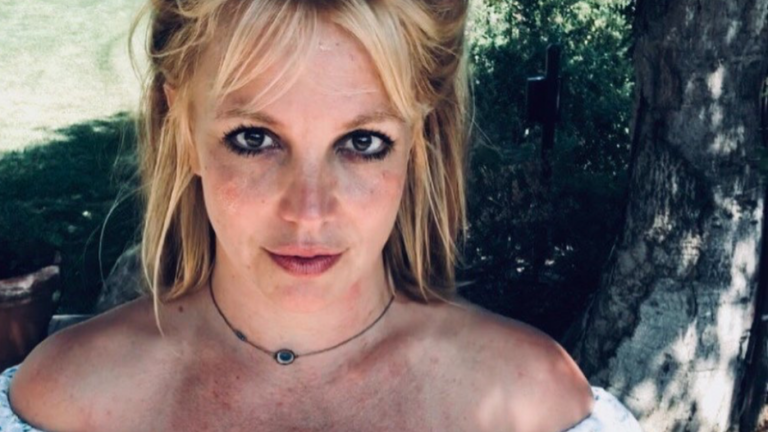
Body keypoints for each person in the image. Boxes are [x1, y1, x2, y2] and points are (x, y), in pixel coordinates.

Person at [1, 0, 644, 431]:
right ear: (183, 130)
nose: (308, 212)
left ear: (418, 140)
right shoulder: (65, 403)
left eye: (362, 142)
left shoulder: (537, 407)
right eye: (254, 138)